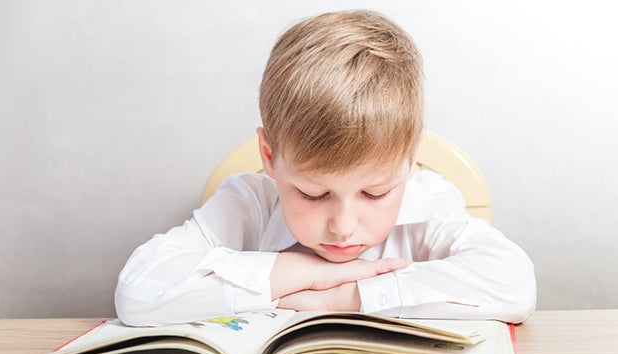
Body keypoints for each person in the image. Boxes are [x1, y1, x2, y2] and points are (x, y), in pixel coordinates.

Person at [115, 10, 536, 327]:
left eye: (375, 193)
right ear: (269, 156)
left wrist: (343, 298)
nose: (343, 227)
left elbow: (514, 283)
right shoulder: (247, 204)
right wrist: (309, 275)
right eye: (313, 194)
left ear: (410, 159)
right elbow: (138, 291)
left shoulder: (428, 204)